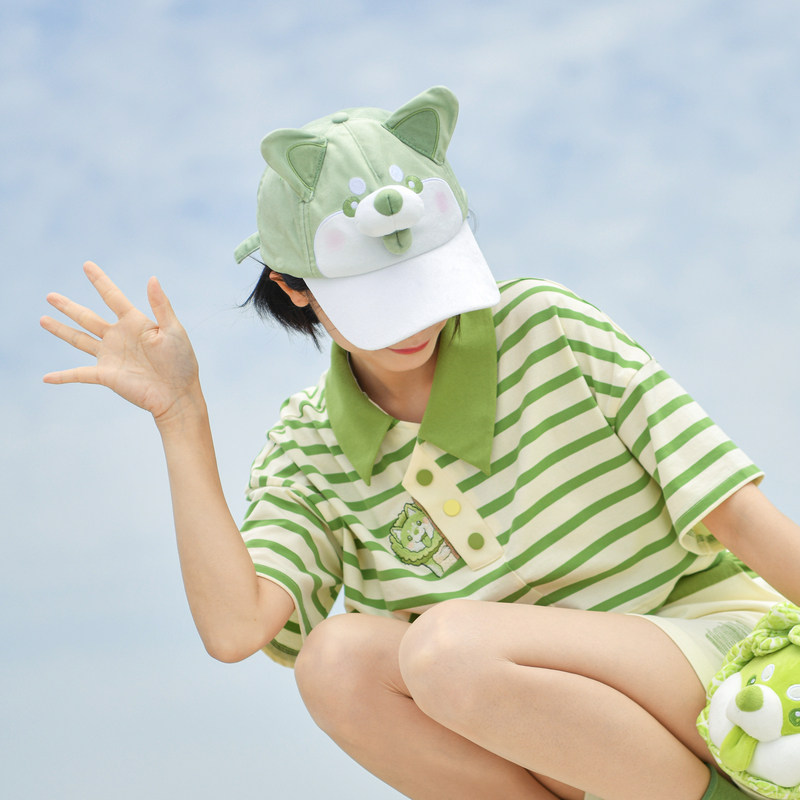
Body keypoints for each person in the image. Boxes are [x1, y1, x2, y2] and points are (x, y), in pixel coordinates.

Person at [40, 86, 800, 800]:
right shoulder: (309, 446)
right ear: (294, 286)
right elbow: (238, 629)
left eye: (425, 281)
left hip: (725, 666)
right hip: (574, 743)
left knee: (448, 649)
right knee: (334, 664)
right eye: (378, 297)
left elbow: (736, 514)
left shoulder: (545, 327)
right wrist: (181, 415)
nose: (413, 322)